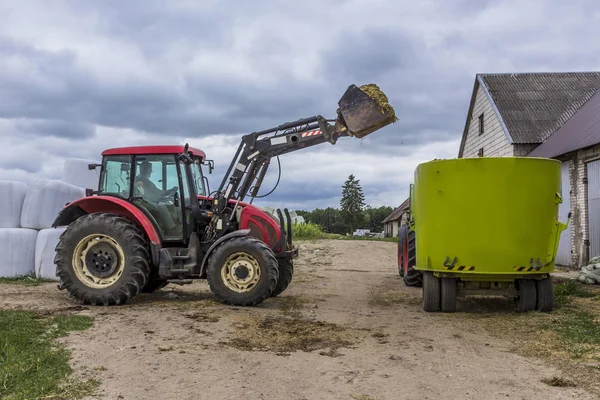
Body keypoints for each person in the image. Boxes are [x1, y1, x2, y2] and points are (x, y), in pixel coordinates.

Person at [134, 161, 181, 237]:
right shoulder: (142, 181)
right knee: (162, 207)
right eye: (150, 169)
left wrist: (169, 192)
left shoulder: (144, 180)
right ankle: (171, 229)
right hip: (143, 202)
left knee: (168, 204)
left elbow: (156, 193)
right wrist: (169, 191)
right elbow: (155, 193)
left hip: (147, 200)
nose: (151, 171)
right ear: (144, 169)